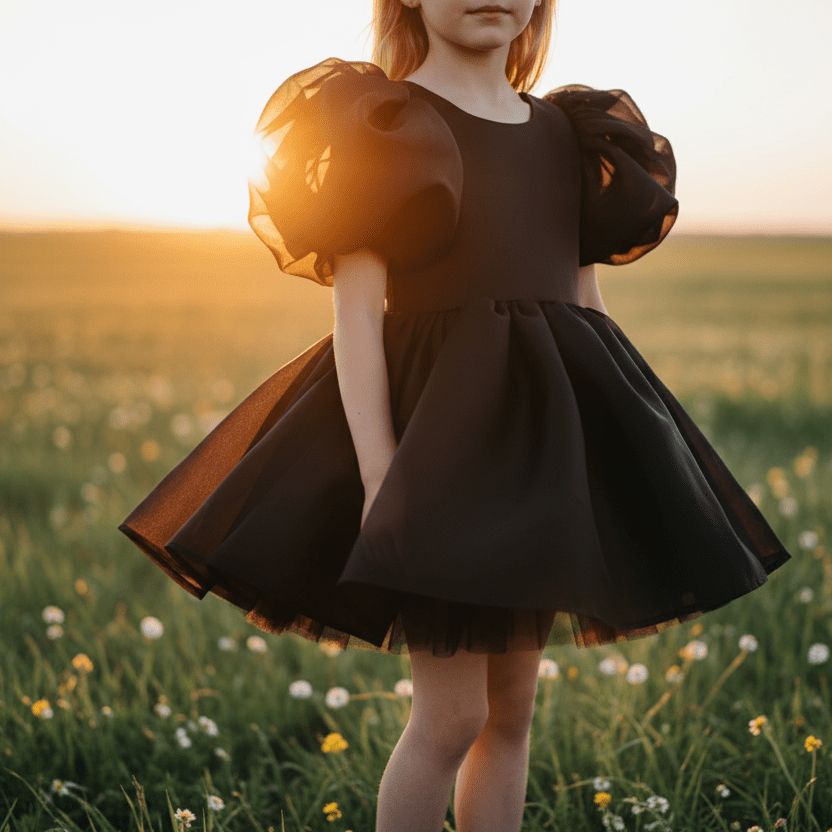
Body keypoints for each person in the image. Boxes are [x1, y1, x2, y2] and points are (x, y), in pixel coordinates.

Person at [119, 1, 791, 829]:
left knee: (511, 714)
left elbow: (585, 305)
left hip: (542, 449)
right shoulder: (383, 121)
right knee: (450, 718)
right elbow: (357, 315)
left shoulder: (570, 134)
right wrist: (381, 474)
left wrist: (628, 448)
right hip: (439, 446)